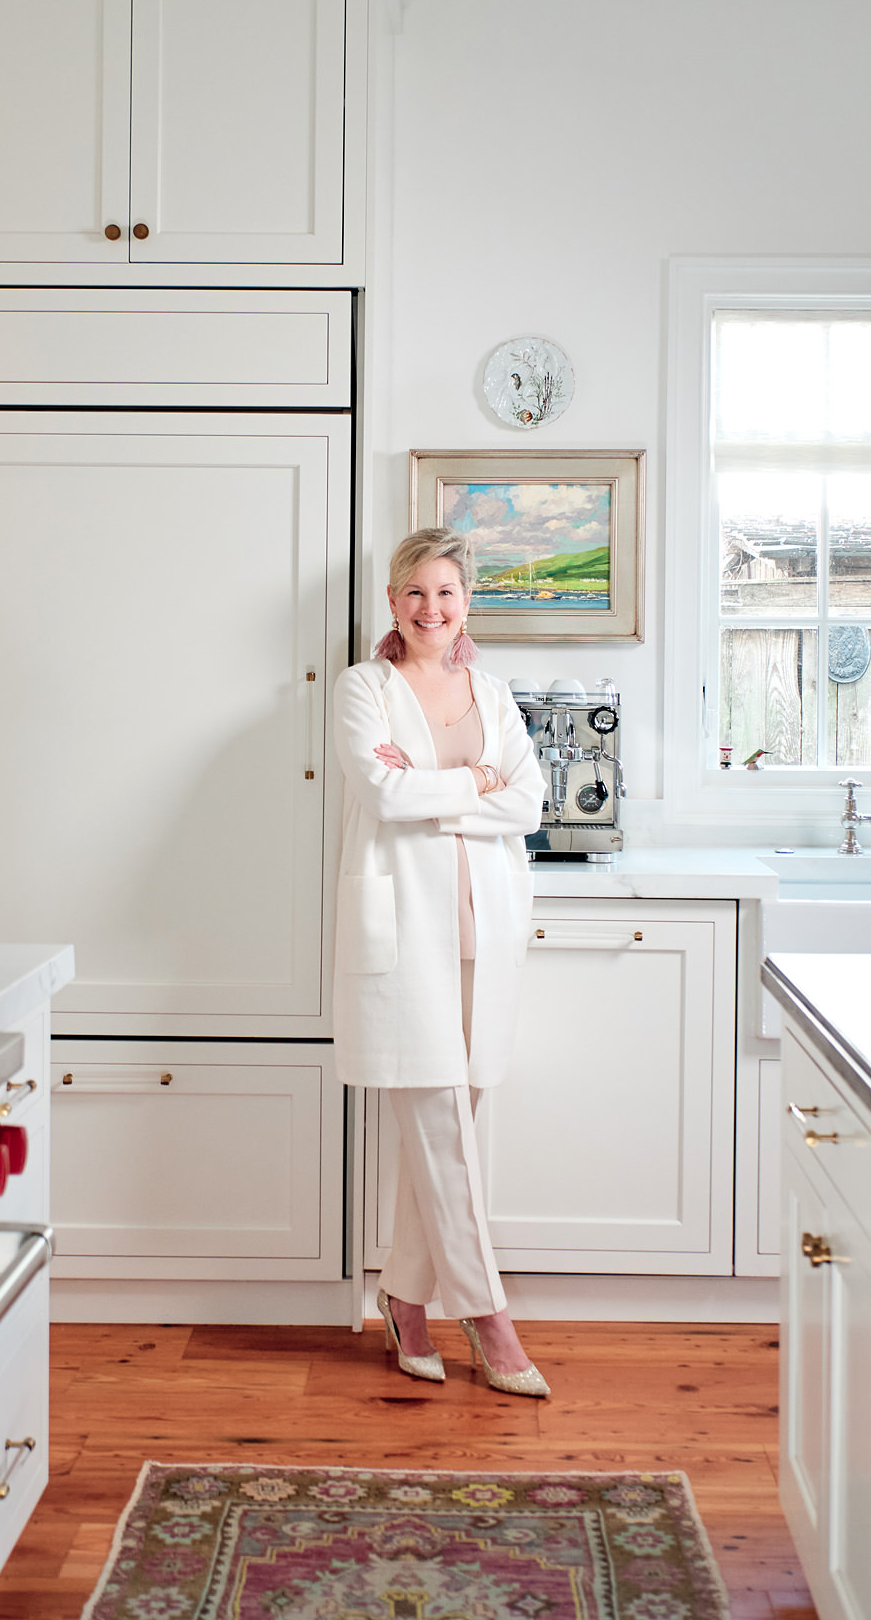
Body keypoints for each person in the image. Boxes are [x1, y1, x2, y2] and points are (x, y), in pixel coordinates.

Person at [331, 527, 549, 1395]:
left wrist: (447, 796)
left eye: (447, 592)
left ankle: (406, 1304)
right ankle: (492, 1321)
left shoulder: (491, 693)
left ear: (467, 602)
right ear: (393, 602)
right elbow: (381, 793)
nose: (431, 608)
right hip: (404, 934)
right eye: (416, 593)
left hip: (483, 933)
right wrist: (478, 788)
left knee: (449, 1126)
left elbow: (529, 802)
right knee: (439, 1127)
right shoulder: (364, 690)